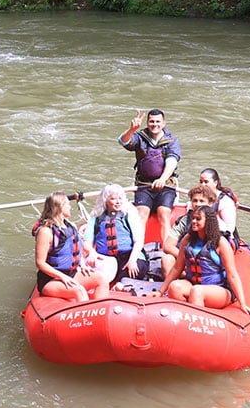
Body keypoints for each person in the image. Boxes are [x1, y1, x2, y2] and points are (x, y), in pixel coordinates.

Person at [156, 205, 250, 318]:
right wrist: (160, 292)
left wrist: (242, 303)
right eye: (193, 218)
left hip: (219, 289)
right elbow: (177, 268)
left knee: (197, 291)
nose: (194, 221)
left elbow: (232, 275)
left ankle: (197, 325)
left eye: (198, 219)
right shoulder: (188, 239)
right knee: (175, 287)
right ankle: (185, 318)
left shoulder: (220, 243)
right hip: (193, 284)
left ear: (208, 221)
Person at [118, 109, 181, 247]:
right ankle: (138, 249)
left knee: (164, 213)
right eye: (151, 121)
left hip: (166, 185)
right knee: (141, 214)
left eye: (158, 121)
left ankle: (166, 250)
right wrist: (131, 129)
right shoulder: (140, 137)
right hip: (144, 185)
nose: (154, 124)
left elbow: (172, 161)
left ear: (164, 123)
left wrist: (162, 179)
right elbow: (123, 141)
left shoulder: (172, 140)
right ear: (147, 123)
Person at [33, 192, 110, 303]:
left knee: (101, 279)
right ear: (60, 207)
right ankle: (86, 319)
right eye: (67, 204)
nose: (70, 207)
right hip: (51, 280)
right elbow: (40, 263)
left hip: (72, 274)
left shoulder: (70, 226)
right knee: (79, 291)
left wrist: (82, 265)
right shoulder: (46, 231)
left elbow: (76, 249)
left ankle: (100, 313)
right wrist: (62, 277)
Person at [82, 184, 147, 287]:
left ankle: (121, 284)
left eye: (120, 198)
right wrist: (92, 253)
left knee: (135, 270)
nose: (118, 202)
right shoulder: (96, 218)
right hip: (107, 259)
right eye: (113, 199)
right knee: (90, 272)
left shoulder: (128, 214)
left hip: (129, 256)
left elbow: (138, 240)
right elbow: (86, 242)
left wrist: (132, 260)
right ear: (105, 201)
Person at [160, 183, 218, 279]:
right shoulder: (184, 220)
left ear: (210, 203)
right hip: (185, 260)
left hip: (207, 262)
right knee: (167, 259)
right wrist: (186, 260)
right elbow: (168, 246)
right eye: (195, 200)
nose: (197, 204)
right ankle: (170, 289)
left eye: (201, 201)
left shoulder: (217, 223)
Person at [199, 168, 241, 249]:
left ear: (215, 182)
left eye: (206, 182)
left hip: (222, 238)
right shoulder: (199, 198)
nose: (202, 185)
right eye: (201, 182)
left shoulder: (225, 201)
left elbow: (229, 229)